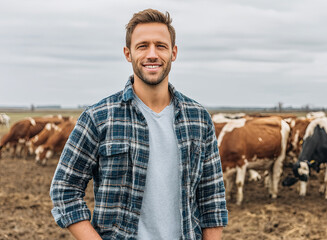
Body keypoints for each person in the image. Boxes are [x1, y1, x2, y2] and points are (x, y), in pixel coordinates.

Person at [50, 9, 228, 240]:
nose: (152, 54)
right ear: (128, 54)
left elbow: (211, 199)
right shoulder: (98, 117)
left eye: (161, 46)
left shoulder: (198, 118)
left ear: (173, 53)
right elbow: (64, 189)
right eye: (142, 46)